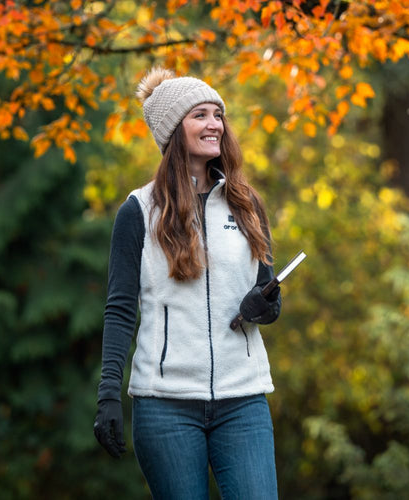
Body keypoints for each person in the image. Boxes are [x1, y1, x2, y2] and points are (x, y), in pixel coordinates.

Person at [94, 67, 282, 499]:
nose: (215, 124)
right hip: (165, 405)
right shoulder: (138, 211)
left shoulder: (247, 204)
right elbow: (120, 308)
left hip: (244, 399)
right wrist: (108, 394)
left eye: (218, 114)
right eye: (201, 115)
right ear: (173, 130)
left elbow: (268, 290)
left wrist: (266, 306)